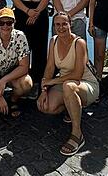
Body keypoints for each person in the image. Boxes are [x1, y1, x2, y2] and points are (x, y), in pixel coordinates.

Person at [37, 12, 99, 156]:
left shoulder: (79, 43)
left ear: (70, 24)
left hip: (85, 83)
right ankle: (71, 107)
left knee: (69, 87)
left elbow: (77, 74)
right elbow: (50, 67)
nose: (61, 27)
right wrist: (44, 90)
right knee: (46, 107)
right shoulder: (53, 41)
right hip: (65, 82)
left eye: (64, 23)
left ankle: (77, 134)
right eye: (57, 24)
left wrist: (52, 81)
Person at [10, 0, 52, 99]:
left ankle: (36, 84)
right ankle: (21, 82)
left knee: (40, 49)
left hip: (40, 12)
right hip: (22, 12)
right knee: (22, 48)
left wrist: (36, 12)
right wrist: (28, 11)